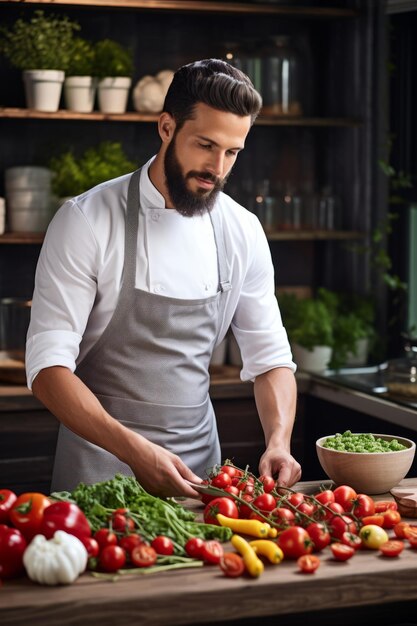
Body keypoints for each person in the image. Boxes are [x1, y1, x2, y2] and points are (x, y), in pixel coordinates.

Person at [26, 58, 301, 498]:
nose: (217, 168)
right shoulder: (86, 220)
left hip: (203, 479)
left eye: (232, 152)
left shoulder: (242, 230)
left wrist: (278, 441)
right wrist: (135, 452)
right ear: (167, 127)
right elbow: (47, 369)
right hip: (99, 473)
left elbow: (270, 359)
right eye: (205, 145)